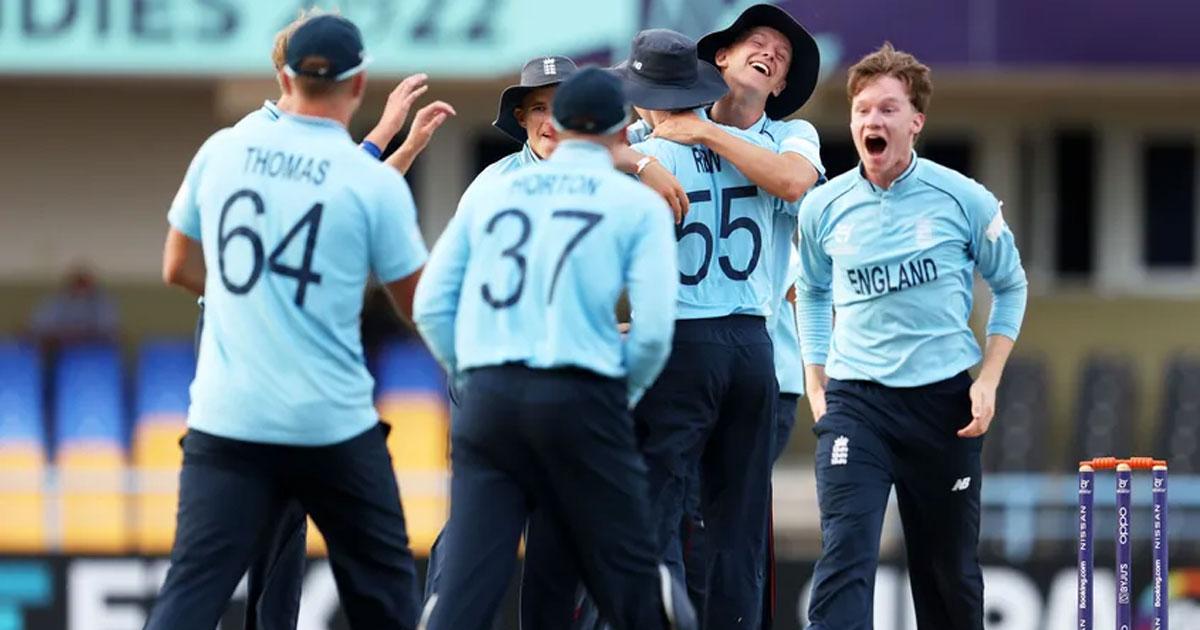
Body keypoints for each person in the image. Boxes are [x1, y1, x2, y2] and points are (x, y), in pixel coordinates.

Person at [149, 15, 427, 629]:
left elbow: (175, 266)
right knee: (385, 596)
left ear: (284, 79)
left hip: (228, 419)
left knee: (189, 595)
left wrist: (246, 300)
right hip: (330, 423)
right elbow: (419, 307)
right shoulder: (369, 181)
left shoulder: (222, 150)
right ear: (359, 85)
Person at [412, 66, 695, 630]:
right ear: (622, 130)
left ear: (557, 122)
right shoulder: (634, 203)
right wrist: (618, 392)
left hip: (491, 397)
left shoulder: (495, 189)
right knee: (634, 581)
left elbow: (430, 306)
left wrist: (471, 373)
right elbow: (654, 332)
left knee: (464, 587)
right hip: (582, 395)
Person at [796, 43, 1028, 630]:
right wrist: (816, 382)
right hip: (857, 404)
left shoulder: (963, 198)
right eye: (862, 110)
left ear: (915, 122)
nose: (871, 121)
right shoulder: (823, 206)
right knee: (845, 552)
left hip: (943, 406)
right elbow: (813, 292)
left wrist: (989, 381)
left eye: (888, 109)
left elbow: (1011, 285)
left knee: (948, 574)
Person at [633, 7, 826, 622]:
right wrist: (641, 158)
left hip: (749, 345)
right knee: (679, 513)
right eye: (756, 42)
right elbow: (589, 150)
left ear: (780, 85)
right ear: (720, 57)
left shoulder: (790, 136)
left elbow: (795, 183)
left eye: (781, 57)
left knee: (724, 520)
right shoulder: (658, 137)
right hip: (693, 338)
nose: (769, 53)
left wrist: (702, 134)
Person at [28, 265, 119, 351]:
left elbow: (109, 329)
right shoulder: (57, 302)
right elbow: (40, 325)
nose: (81, 289)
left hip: (93, 347)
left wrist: (82, 334)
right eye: (78, 284)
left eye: (84, 284)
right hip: (59, 347)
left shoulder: (103, 303)